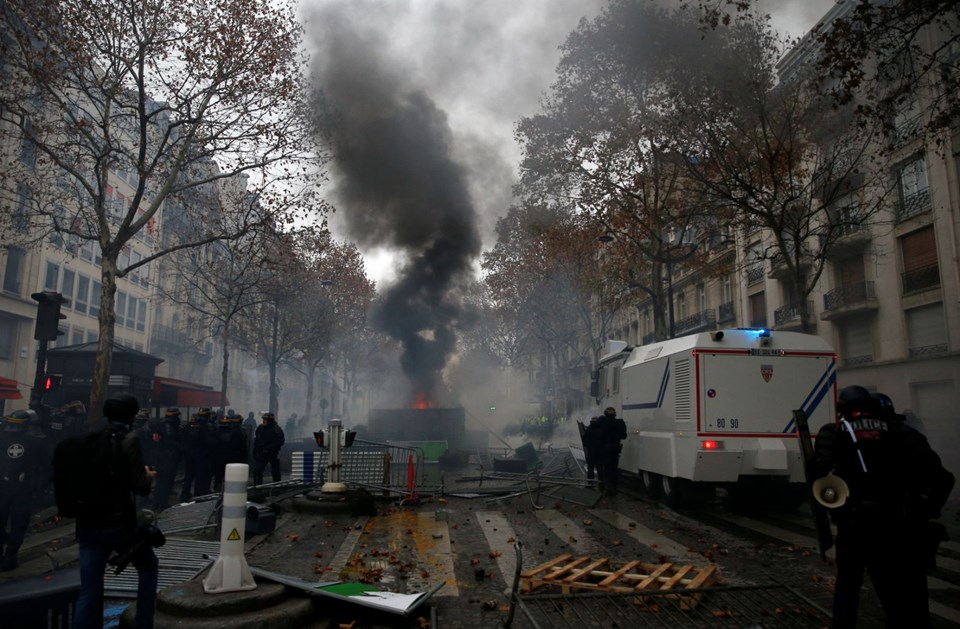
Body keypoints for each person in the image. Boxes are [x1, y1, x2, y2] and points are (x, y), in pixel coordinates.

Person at [813, 385, 954, 628]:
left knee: (848, 586)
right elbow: (943, 479)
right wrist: (924, 511)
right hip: (894, 524)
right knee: (894, 587)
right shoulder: (901, 432)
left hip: (853, 524)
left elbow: (819, 476)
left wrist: (833, 515)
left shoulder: (835, 433)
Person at [73, 393, 158, 629]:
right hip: (118, 523)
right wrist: (148, 475)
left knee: (89, 589)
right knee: (148, 567)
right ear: (131, 415)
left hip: (87, 522)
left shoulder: (90, 437)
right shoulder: (130, 439)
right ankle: (143, 623)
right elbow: (140, 487)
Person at [0, 409, 45, 570]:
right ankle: (9, 554)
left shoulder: (4, 439)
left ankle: (8, 554)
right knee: (16, 524)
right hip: (18, 489)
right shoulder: (36, 443)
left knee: (12, 522)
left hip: (12, 488)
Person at [179, 407, 214, 501]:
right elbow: (209, 442)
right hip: (201, 455)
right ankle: (197, 496)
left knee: (188, 476)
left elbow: (183, 440)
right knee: (200, 477)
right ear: (208, 415)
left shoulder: (189, 425)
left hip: (189, 455)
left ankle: (184, 495)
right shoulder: (208, 426)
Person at [151, 409, 182, 512]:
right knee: (165, 482)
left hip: (161, 456)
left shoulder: (161, 424)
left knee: (160, 482)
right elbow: (171, 441)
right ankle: (162, 504)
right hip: (168, 457)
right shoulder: (168, 425)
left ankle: (156, 504)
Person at [592, 407, 627, 496]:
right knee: (614, 469)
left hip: (605, 449)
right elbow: (624, 436)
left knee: (607, 470)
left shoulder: (602, 421)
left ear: (605, 413)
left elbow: (596, 434)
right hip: (615, 449)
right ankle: (614, 489)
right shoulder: (620, 422)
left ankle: (609, 489)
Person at [210, 410, 248, 491]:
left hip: (220, 459)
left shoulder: (216, 432)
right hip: (231, 459)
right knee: (230, 478)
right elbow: (241, 447)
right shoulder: (238, 432)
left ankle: (217, 490)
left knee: (218, 477)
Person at [253, 411, 284, 485]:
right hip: (262, 453)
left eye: (265, 420)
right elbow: (257, 440)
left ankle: (277, 486)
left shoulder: (276, 429)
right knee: (258, 471)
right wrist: (255, 451)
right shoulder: (260, 428)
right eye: (263, 419)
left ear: (270, 421)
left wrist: (270, 448)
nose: (263, 421)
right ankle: (257, 487)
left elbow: (281, 441)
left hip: (273, 453)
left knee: (275, 472)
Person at [582, 415, 601, 481]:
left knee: (590, 467)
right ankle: (601, 482)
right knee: (599, 468)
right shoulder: (601, 429)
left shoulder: (589, 429)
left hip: (591, 451)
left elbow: (584, 440)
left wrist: (588, 446)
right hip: (599, 452)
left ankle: (590, 482)